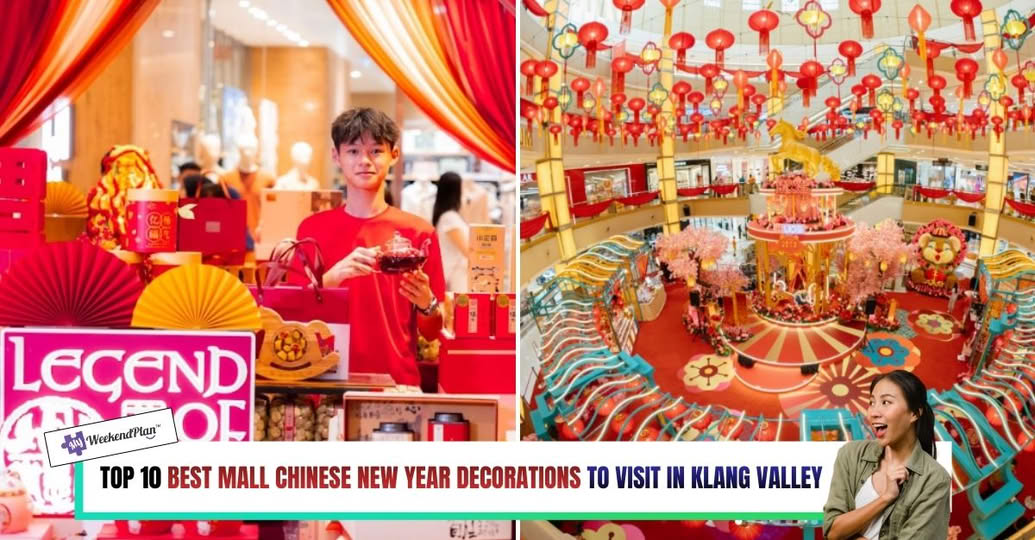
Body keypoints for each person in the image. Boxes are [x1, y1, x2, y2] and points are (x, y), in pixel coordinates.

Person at [291, 108, 445, 389]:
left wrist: (427, 303)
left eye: (376, 150)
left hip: (398, 382)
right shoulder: (312, 231)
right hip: (325, 381)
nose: (364, 161)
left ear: (393, 155)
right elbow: (293, 314)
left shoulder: (419, 233)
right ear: (336, 156)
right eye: (353, 151)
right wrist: (331, 279)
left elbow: (432, 331)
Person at [823, 370, 950, 540]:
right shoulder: (851, 454)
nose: (874, 412)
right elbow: (832, 532)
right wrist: (885, 498)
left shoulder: (934, 480)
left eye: (886, 402)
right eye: (872, 402)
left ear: (914, 413)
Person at [433, 172, 470, 292]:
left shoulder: (449, 216)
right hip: (456, 275)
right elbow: (467, 250)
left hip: (456, 274)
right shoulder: (449, 218)